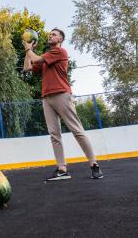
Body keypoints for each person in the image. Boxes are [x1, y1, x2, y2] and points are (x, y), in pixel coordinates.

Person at [23, 28, 103, 180]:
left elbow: (37, 59)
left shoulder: (60, 52)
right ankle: (62, 169)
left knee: (77, 130)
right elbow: (27, 67)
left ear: (60, 39)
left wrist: (29, 49)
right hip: (47, 98)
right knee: (54, 134)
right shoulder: (47, 57)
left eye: (54, 34)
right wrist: (28, 51)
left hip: (62, 94)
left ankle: (94, 164)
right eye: (49, 34)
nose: (50, 36)